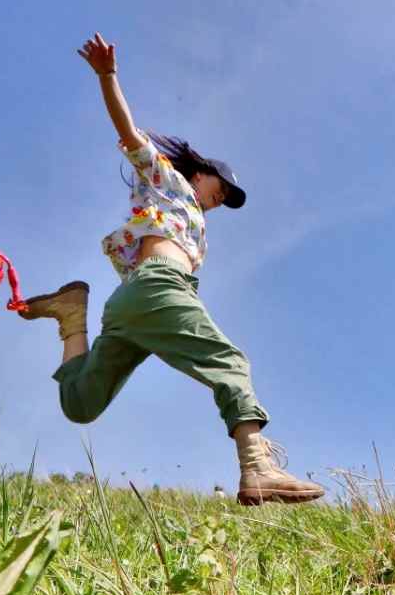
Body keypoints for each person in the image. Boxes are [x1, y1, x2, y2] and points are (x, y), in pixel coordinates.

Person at [18, 32, 324, 506]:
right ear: (200, 172)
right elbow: (129, 134)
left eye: (227, 199)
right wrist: (107, 76)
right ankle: (257, 467)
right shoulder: (169, 182)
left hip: (133, 306)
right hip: (158, 286)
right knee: (230, 363)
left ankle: (72, 315)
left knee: (80, 405)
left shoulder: (197, 224)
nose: (222, 198)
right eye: (221, 187)